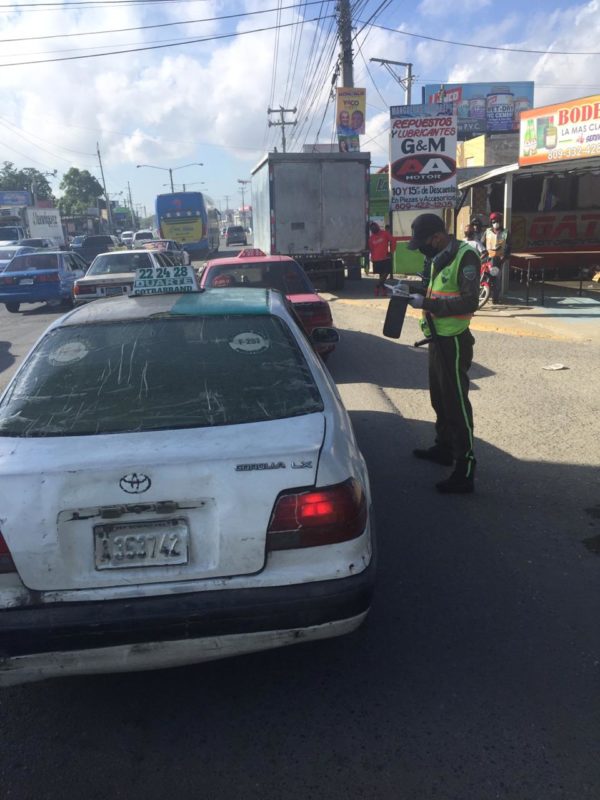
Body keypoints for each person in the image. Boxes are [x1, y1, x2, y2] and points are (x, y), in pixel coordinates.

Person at [405, 213, 480, 493]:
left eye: (423, 243)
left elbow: (470, 301)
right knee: (439, 398)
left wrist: (427, 303)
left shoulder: (466, 256)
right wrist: (410, 292)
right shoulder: (438, 257)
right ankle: (444, 448)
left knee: (457, 404)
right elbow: (436, 291)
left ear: (436, 237)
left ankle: (465, 468)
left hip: (455, 340)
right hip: (437, 338)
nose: (422, 248)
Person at [482, 211, 511, 304]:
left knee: (496, 279)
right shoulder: (487, 232)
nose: (496, 223)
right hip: (487, 258)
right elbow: (482, 243)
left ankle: (495, 298)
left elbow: (509, 245)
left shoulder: (505, 232)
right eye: (494, 221)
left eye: (497, 221)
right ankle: (483, 295)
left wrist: (505, 257)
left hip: (499, 259)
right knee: (484, 276)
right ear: (491, 222)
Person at [368, 222, 395, 297]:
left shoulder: (385, 233)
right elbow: (371, 249)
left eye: (374, 227)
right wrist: (372, 258)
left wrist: (391, 251)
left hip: (385, 258)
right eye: (371, 228)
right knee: (382, 275)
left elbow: (393, 241)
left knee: (385, 273)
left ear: (377, 227)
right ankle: (382, 289)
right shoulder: (371, 238)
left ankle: (379, 288)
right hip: (376, 259)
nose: (373, 229)